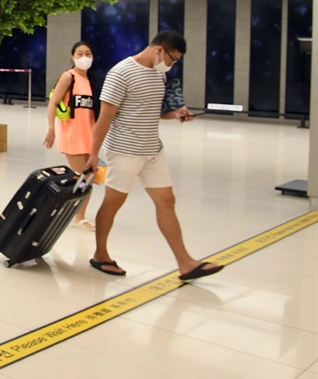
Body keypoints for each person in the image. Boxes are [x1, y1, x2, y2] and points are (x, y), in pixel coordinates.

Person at [84, 30, 223, 281]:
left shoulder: (158, 74)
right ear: (159, 50)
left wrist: (176, 114)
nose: (171, 65)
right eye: (172, 59)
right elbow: (105, 118)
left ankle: (186, 263)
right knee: (113, 203)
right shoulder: (121, 73)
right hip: (124, 150)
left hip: (152, 150)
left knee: (167, 201)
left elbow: (150, 111)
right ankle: (100, 254)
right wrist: (94, 155)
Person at [44, 41, 102, 230]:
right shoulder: (68, 77)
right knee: (83, 177)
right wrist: (51, 129)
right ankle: (78, 215)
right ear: (72, 57)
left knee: (89, 177)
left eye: (87, 53)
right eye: (79, 53)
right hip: (73, 135)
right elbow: (53, 103)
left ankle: (76, 213)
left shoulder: (94, 81)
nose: (84, 57)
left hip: (90, 136)